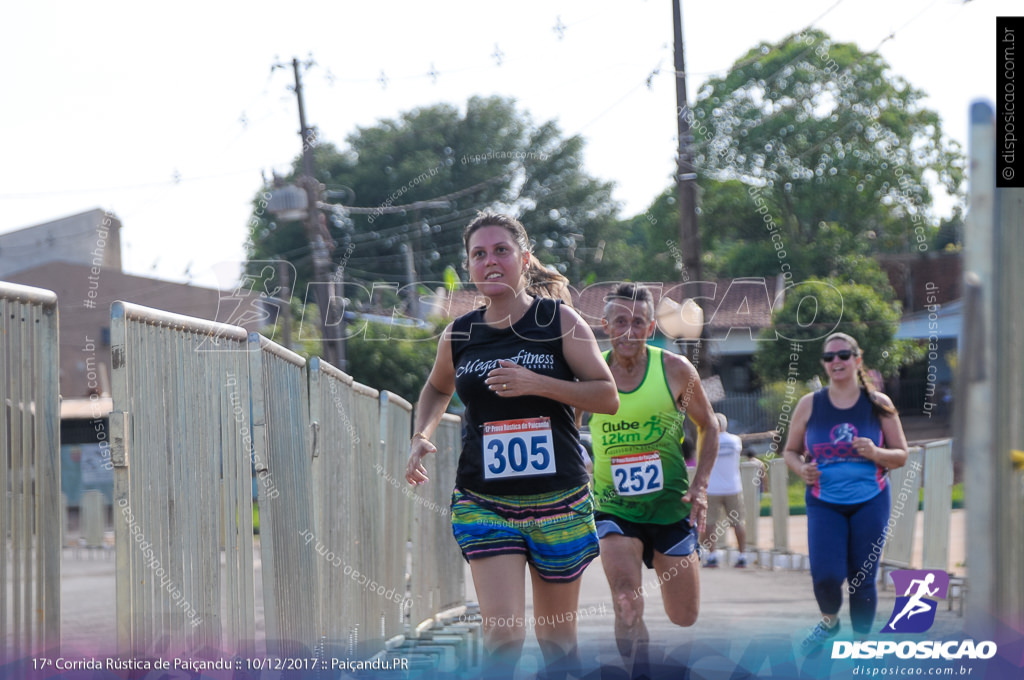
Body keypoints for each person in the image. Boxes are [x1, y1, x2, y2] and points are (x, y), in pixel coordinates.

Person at [404, 212, 618, 676]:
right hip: (486, 501)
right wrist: (421, 435)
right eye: (478, 254)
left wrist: (536, 382)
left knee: (557, 640)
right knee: (503, 636)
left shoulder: (559, 320)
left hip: (559, 499)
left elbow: (607, 396)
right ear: (469, 267)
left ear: (523, 259)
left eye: (501, 250)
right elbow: (437, 389)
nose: (490, 261)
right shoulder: (460, 334)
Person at [588, 283, 719, 674]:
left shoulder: (676, 370)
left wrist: (701, 487)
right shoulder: (590, 374)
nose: (629, 331)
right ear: (605, 325)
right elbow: (565, 428)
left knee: (684, 616)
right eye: (620, 321)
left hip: (670, 509)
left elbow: (708, 426)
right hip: (614, 509)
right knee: (627, 601)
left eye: (639, 322)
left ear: (650, 328)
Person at [782, 332, 908, 652]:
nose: (836, 361)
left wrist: (876, 453)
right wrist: (800, 468)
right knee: (826, 576)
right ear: (824, 365)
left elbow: (902, 454)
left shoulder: (878, 403)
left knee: (861, 578)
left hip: (871, 499)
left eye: (843, 355)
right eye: (829, 357)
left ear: (857, 359)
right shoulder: (810, 404)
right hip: (824, 501)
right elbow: (791, 451)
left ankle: (861, 649)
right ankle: (829, 621)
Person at [702, 413, 747, 568]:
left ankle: (713, 555)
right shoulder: (735, 440)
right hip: (733, 487)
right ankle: (742, 555)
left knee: (710, 523)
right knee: (738, 522)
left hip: (713, 488)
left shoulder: (707, 441)